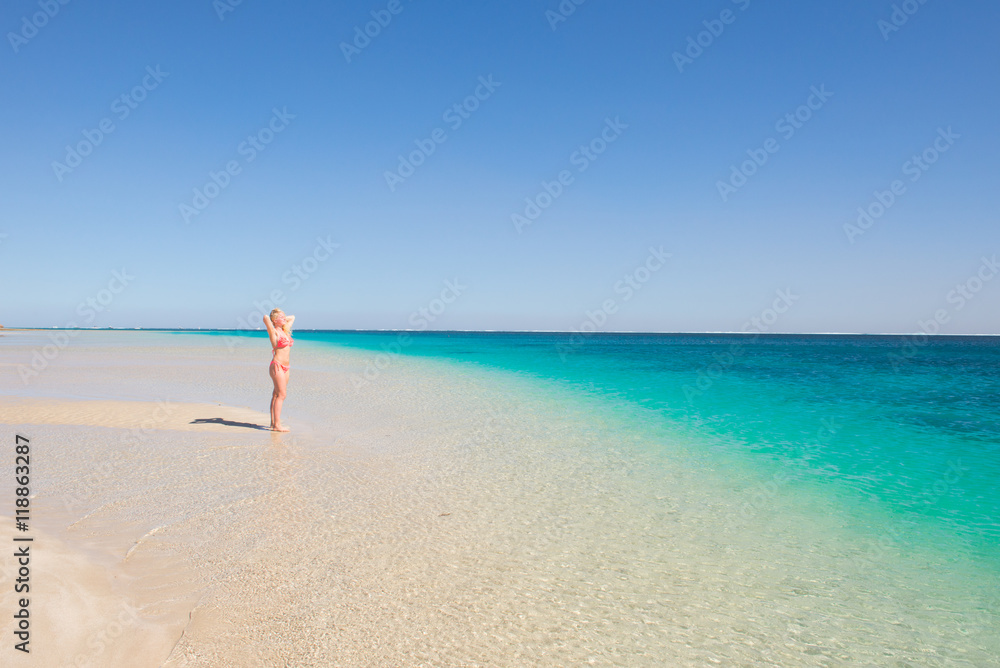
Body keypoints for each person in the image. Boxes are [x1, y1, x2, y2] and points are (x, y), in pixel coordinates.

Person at [263, 308, 294, 432]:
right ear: (275, 320)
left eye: (284, 316)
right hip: (277, 365)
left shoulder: (285, 332)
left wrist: (282, 317)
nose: (284, 318)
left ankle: (273, 423)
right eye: (281, 317)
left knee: (276, 394)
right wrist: (274, 317)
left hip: (286, 367)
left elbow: (293, 317)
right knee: (282, 395)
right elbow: (265, 317)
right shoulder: (274, 332)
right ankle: (277, 425)